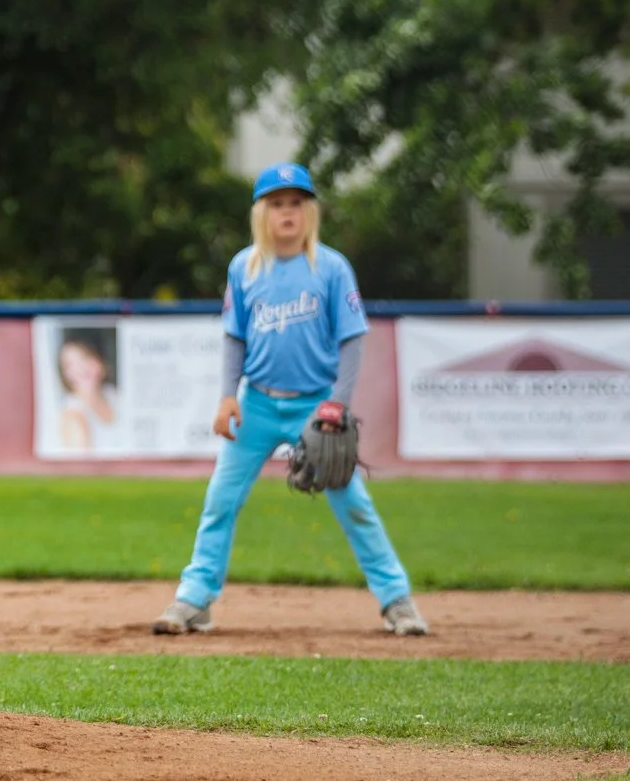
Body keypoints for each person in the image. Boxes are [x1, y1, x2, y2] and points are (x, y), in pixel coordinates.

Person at [151, 162, 429, 637]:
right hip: (257, 404)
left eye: (295, 203)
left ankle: (396, 600)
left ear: (309, 211)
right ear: (262, 212)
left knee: (354, 503)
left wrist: (337, 405)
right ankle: (195, 599)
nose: (287, 212)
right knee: (220, 500)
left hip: (314, 409)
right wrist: (226, 397)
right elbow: (234, 338)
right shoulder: (245, 267)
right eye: (277, 203)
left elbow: (352, 341)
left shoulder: (331, 267)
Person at [57, 334, 119, 452]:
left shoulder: (114, 395)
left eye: (85, 358)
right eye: (70, 364)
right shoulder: (73, 415)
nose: (80, 368)